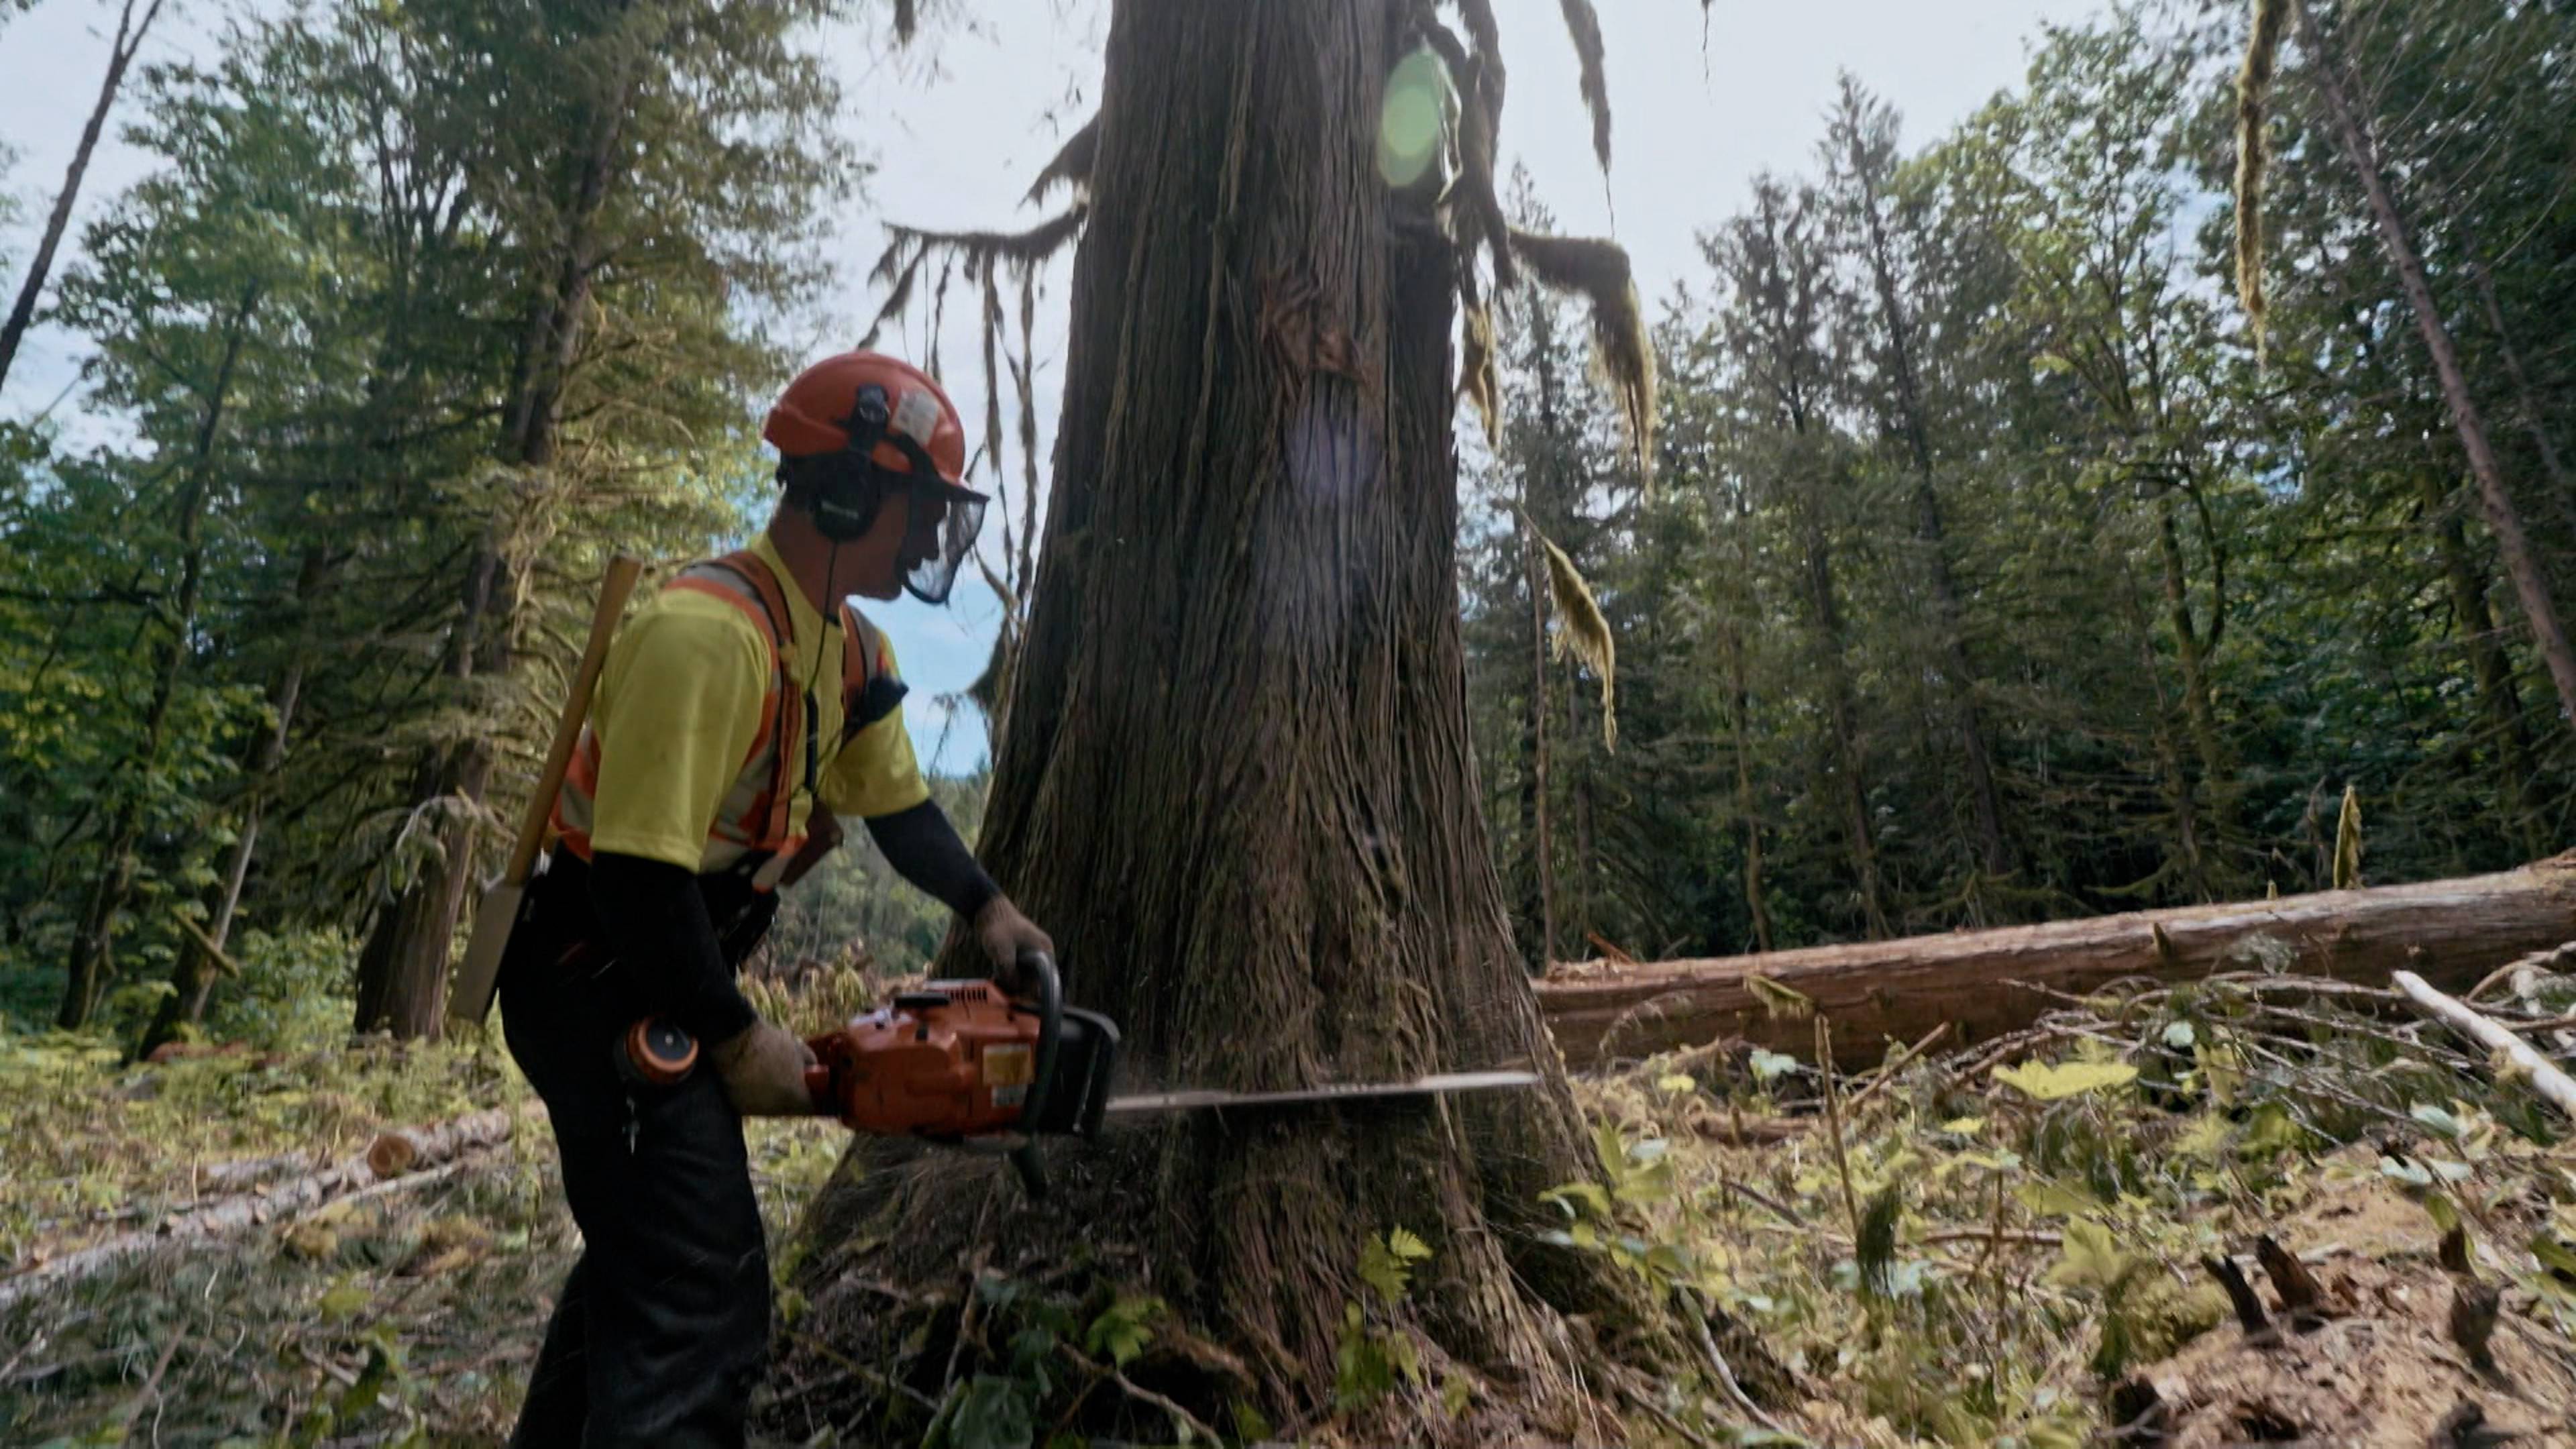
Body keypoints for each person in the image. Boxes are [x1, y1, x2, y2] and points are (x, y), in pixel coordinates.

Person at [495, 350, 1052, 1446]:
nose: (934, 538)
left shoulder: (846, 648)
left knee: (649, 1261)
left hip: (652, 970)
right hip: (589, 975)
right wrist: (737, 1036)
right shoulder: (705, 637)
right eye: (920, 509)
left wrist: (990, 909)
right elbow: (637, 875)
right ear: (848, 489)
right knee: (700, 1296)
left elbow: (894, 808)